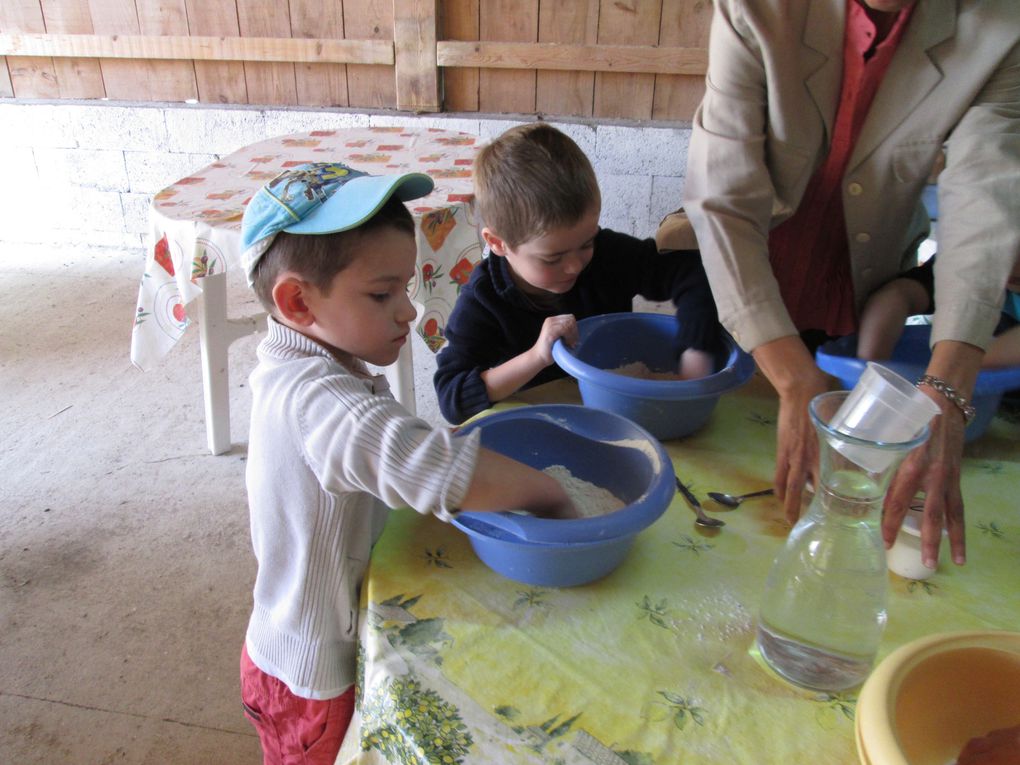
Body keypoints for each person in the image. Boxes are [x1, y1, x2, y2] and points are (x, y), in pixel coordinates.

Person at [237, 162, 577, 765]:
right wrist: (548, 495)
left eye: (407, 289)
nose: (408, 313)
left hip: (297, 646)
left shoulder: (307, 364)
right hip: (312, 677)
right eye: (381, 294)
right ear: (296, 301)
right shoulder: (318, 402)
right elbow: (431, 467)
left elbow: (386, 459)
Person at [682, 0, 1020, 571]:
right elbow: (725, 200)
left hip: (860, 277)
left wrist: (950, 388)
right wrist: (791, 376)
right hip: (746, 286)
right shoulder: (757, 9)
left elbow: (981, 204)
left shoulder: (1001, 22)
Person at [434, 123, 723, 425]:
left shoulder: (607, 255)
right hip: (534, 429)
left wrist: (696, 347)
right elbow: (452, 399)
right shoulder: (483, 301)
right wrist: (537, 357)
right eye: (552, 258)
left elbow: (692, 273)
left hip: (615, 415)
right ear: (497, 243)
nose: (575, 265)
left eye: (586, 243)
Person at [858, 253, 1020, 368]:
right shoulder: (971, 262)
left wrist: (950, 370)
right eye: (1004, 247)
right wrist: (871, 367)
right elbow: (898, 294)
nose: (1013, 263)